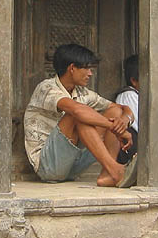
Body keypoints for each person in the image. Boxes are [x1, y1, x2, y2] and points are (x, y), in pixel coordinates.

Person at [24, 44, 137, 187]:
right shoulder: (46, 88)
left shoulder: (82, 92)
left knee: (113, 113)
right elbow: (77, 111)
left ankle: (107, 175)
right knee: (78, 115)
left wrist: (125, 121)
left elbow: (119, 108)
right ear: (72, 68)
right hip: (48, 166)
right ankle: (116, 170)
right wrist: (114, 128)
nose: (90, 73)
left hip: (73, 165)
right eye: (87, 68)